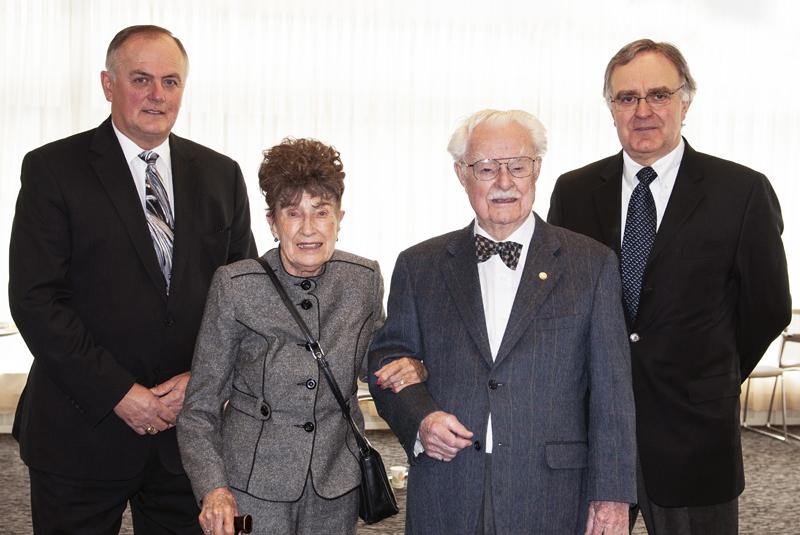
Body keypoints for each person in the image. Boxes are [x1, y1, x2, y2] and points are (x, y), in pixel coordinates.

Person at [8, 25, 257, 534]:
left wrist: (203, 381)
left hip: (188, 436)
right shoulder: (52, 169)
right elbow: (36, 301)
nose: (156, 95)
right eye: (141, 79)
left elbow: (245, 298)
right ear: (107, 83)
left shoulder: (221, 175)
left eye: (170, 82)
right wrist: (121, 393)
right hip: (81, 427)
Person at [548, 39, 792, 535]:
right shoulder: (573, 192)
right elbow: (558, 303)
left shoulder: (741, 192)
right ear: (610, 107)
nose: (642, 111)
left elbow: (768, 308)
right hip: (592, 433)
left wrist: (713, 373)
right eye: (626, 98)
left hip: (694, 433)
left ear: (686, 101)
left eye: (658, 95)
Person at [368, 109, 637, 535]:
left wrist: (613, 496)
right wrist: (420, 418)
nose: (505, 182)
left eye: (517, 166)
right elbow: (388, 362)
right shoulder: (419, 266)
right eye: (487, 168)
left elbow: (613, 394)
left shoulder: (593, 264)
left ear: (537, 170)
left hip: (551, 491)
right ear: (462, 174)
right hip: (448, 484)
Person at [177, 137, 426, 535]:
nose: (308, 229)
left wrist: (411, 366)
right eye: (293, 213)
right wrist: (213, 488)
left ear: (339, 219)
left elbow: (377, 361)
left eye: (321, 212)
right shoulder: (236, 286)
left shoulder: (362, 280)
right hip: (250, 484)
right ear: (272, 222)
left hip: (335, 483)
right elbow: (200, 406)